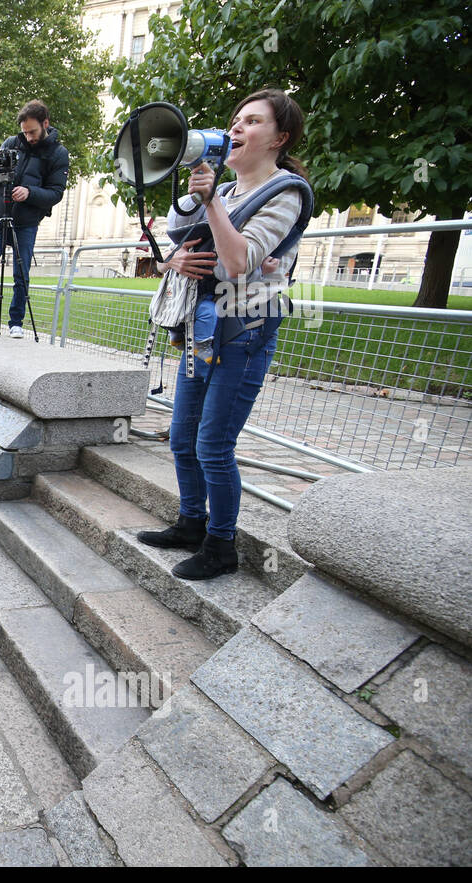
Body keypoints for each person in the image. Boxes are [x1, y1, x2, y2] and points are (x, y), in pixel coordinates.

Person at [137, 88, 310, 580]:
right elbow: (177, 242)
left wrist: (210, 201)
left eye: (252, 122)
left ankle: (222, 546)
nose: (236, 128)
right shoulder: (226, 191)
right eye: (235, 119)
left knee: (213, 443)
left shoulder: (286, 193)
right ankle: (192, 523)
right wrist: (174, 258)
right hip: (204, 328)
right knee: (182, 437)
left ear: (280, 137)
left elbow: (237, 261)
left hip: (245, 331)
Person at [0, 99, 69, 338]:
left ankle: (16, 322)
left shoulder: (58, 153)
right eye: (25, 132)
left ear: (45, 123)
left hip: (26, 222)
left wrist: (29, 192)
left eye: (32, 131)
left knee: (21, 273)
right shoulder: (11, 143)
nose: (29, 136)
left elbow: (56, 193)